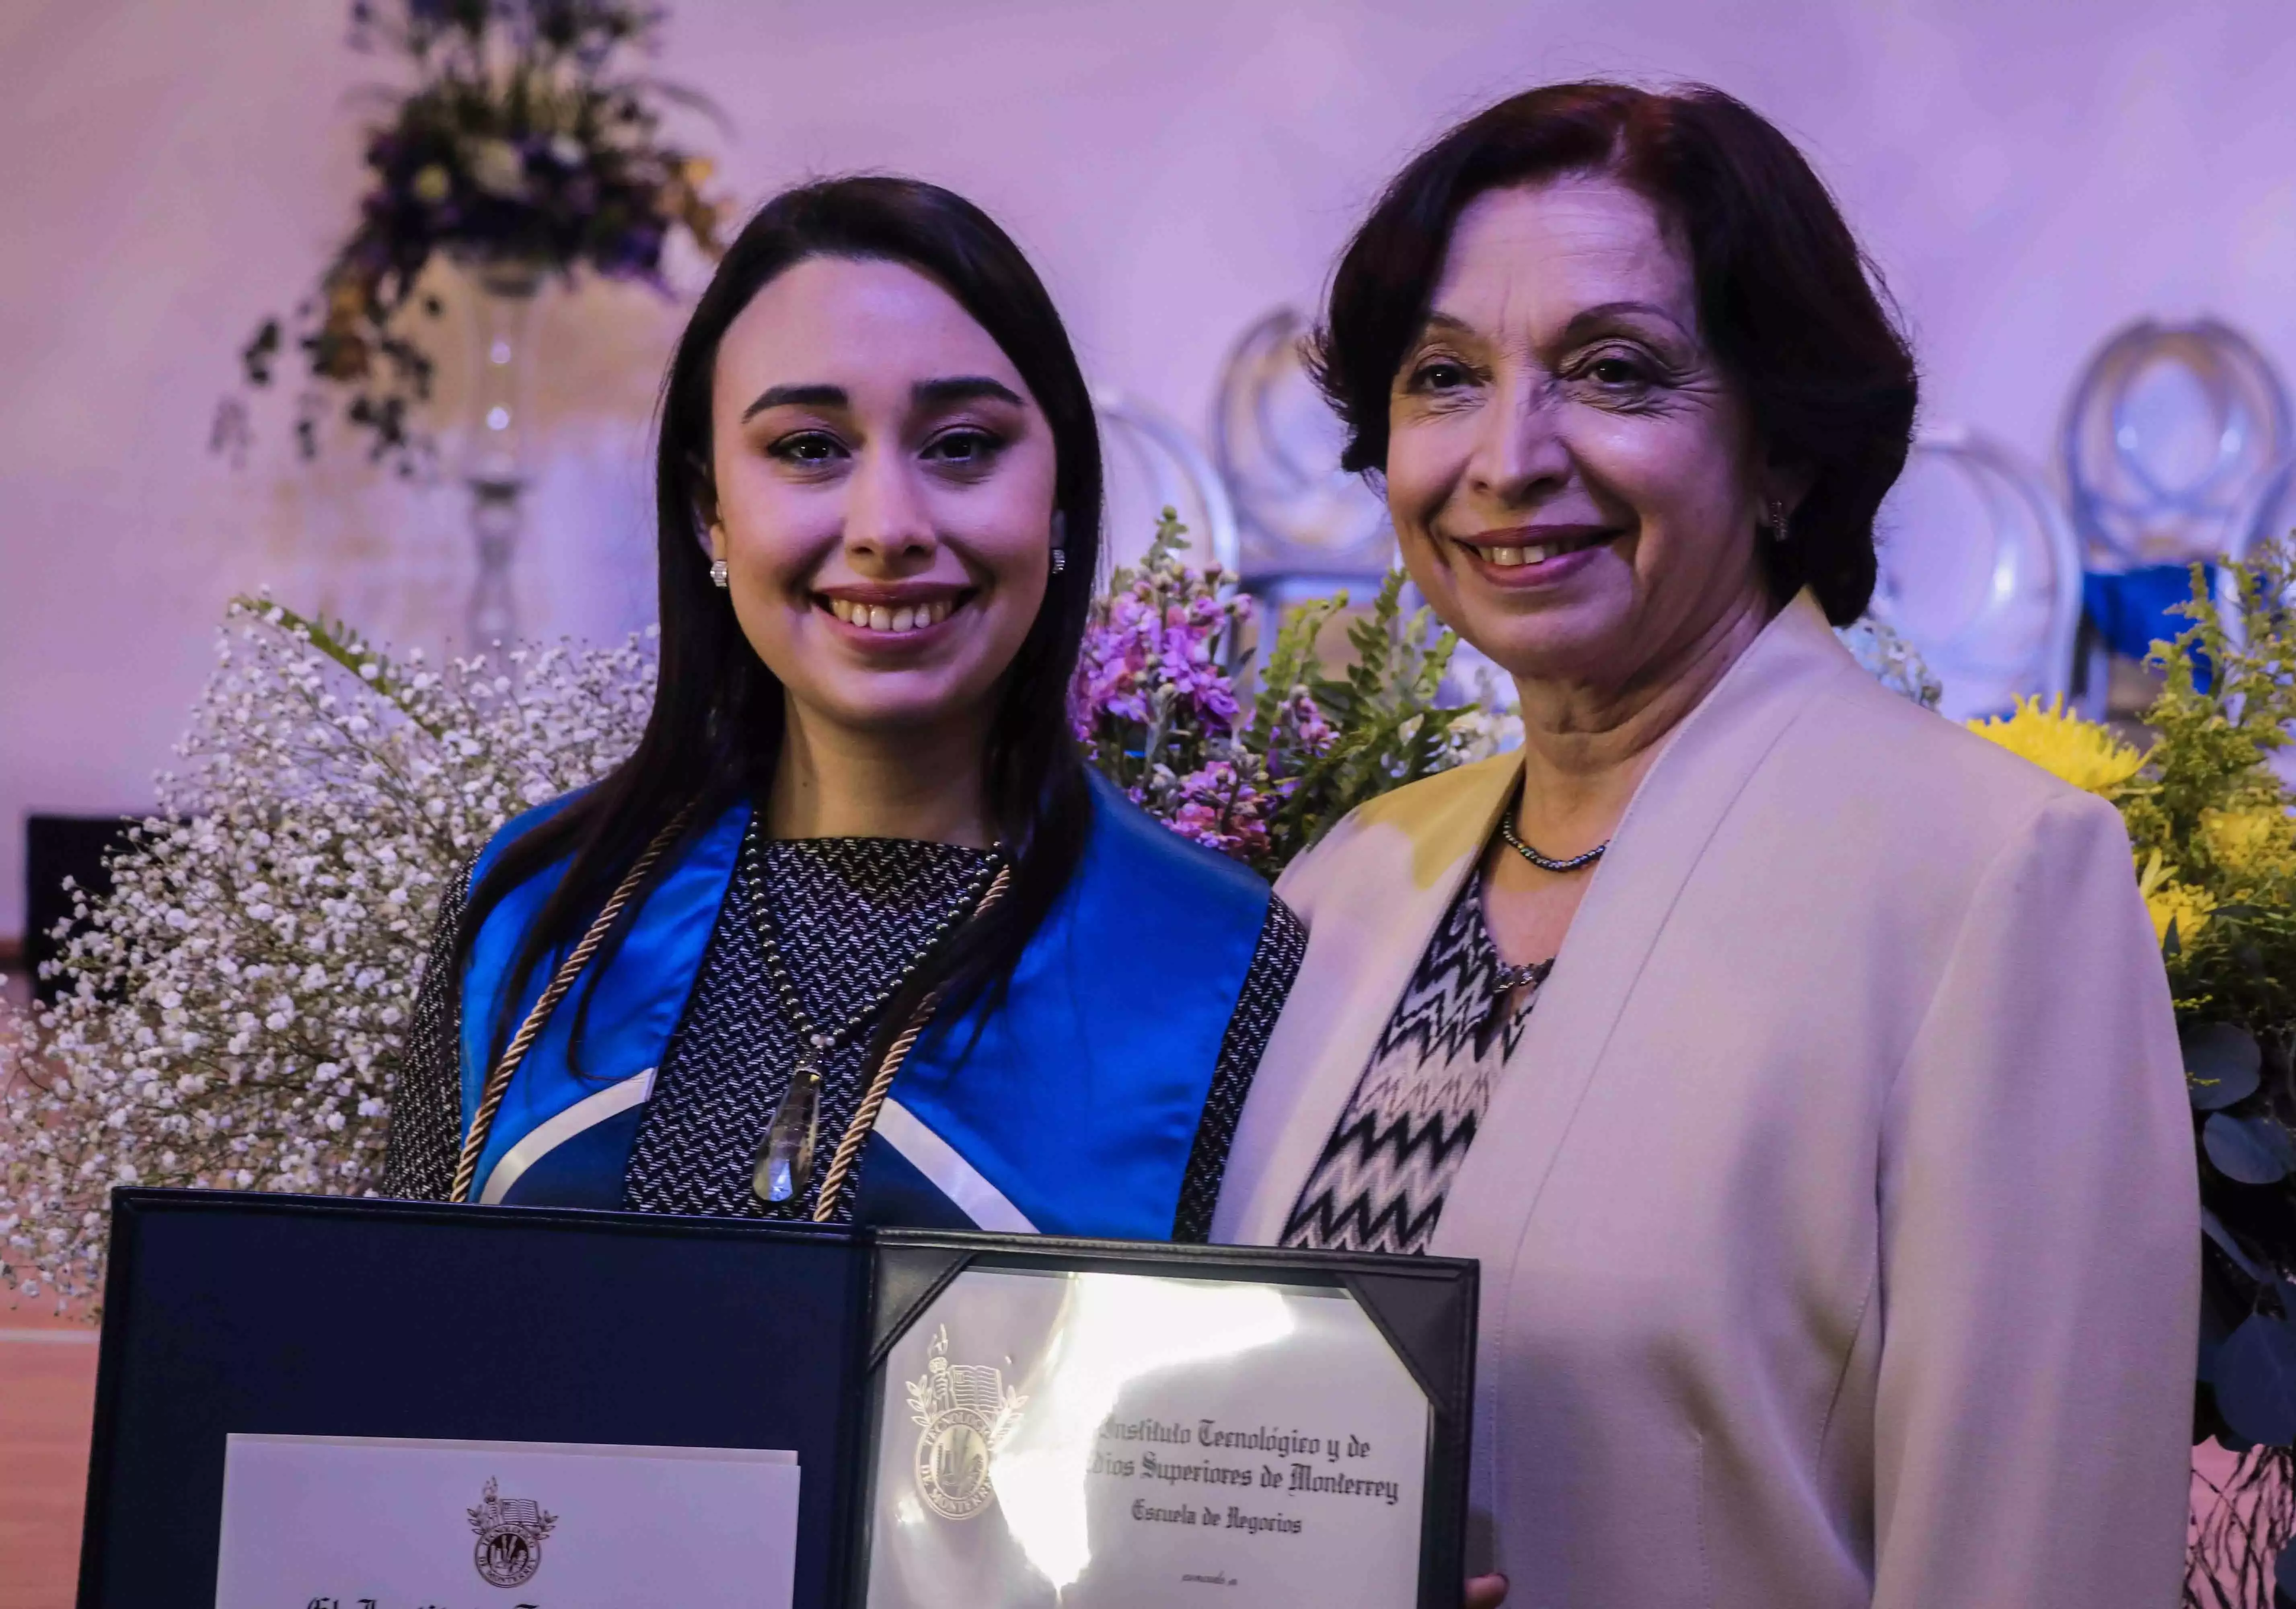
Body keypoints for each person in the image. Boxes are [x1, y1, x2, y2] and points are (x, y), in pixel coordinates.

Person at [1213, 83, 2198, 1607]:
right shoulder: (1353, 876)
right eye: (1443, 377)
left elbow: (2035, 1555)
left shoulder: (1993, 880)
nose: (1507, 457)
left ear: (1784, 451)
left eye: (1614, 372)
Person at [384, 177, 1300, 1239]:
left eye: (961, 444)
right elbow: (401, 1361)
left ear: (1060, 501)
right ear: (709, 515)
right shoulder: (532, 916)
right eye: (809, 448)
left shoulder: (1214, 960)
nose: (887, 526)